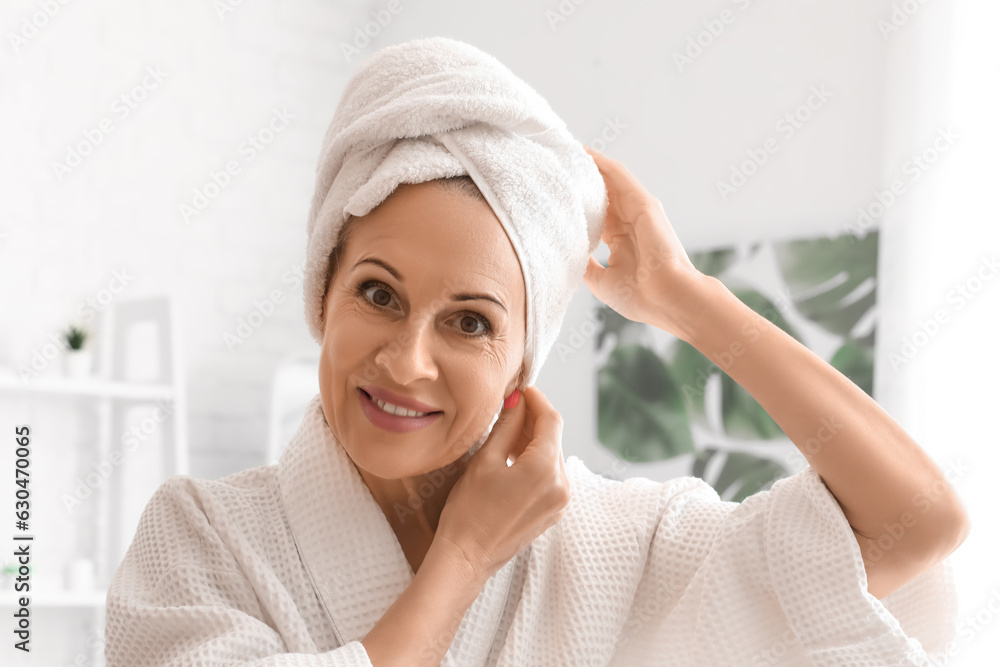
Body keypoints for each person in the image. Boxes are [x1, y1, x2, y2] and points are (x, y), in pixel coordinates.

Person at [105, 37, 969, 666]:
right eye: (378, 293)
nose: (407, 360)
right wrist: (463, 559)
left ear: (524, 359)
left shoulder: (621, 549)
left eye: (471, 321)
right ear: (321, 294)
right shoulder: (202, 541)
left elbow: (920, 520)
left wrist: (688, 300)